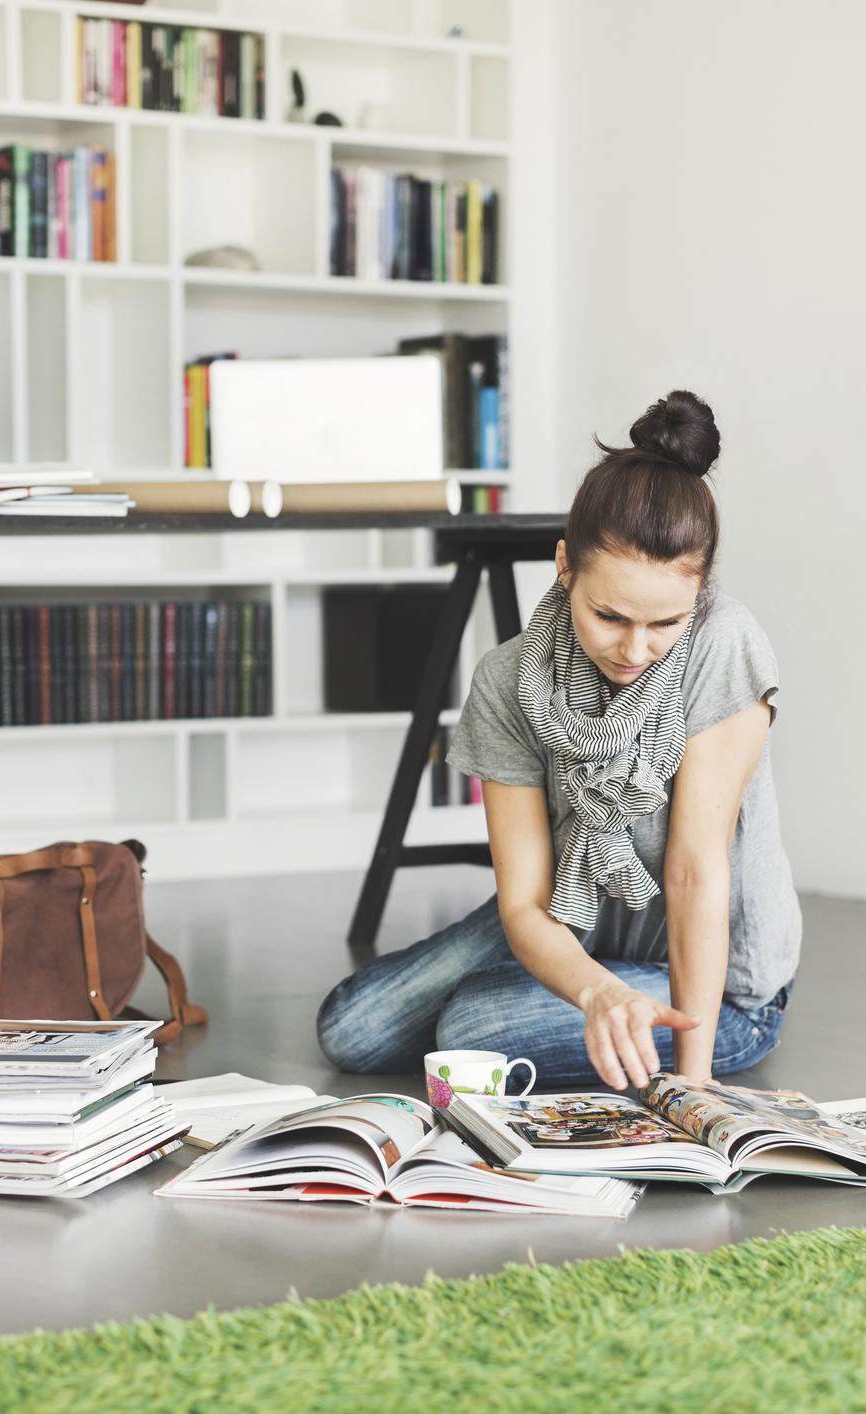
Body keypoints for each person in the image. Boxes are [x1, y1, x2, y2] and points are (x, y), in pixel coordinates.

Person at [317, 391, 800, 1091]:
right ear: (563, 567)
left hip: (721, 985)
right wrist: (598, 993)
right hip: (578, 918)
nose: (635, 648)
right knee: (349, 1027)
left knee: (471, 1030)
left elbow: (694, 873)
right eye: (608, 615)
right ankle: (571, 990)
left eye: (664, 622)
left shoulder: (724, 645)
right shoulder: (508, 680)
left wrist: (693, 1088)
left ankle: (559, 1000)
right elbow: (522, 903)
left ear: (697, 598)